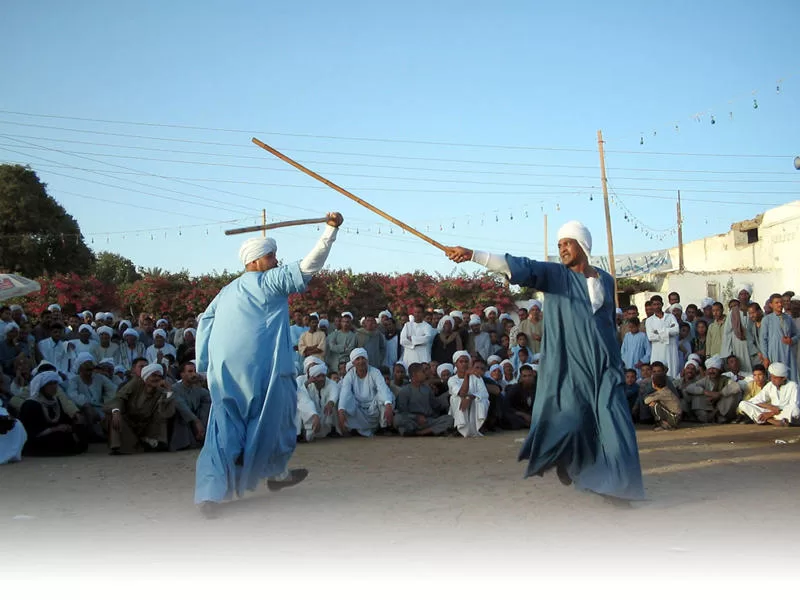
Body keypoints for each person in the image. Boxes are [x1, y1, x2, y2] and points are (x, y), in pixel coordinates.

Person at [445, 220, 644, 503]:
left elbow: (607, 323)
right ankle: (569, 461)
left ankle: (622, 486)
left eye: (567, 243)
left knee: (615, 421)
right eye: (559, 244)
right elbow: (517, 265)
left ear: (582, 245)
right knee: (571, 419)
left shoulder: (607, 281)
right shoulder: (555, 275)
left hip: (606, 367)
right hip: (571, 367)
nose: (561, 249)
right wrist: (473, 254)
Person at [194, 212, 343, 517]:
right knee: (277, 419)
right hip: (263, 372)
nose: (277, 260)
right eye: (272, 256)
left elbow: (205, 324)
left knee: (223, 429)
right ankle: (276, 474)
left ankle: (210, 493)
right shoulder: (269, 281)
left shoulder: (225, 292)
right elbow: (310, 265)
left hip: (225, 376)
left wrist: (204, 364)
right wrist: (331, 230)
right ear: (257, 260)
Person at [105, 363, 176, 454]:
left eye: (159, 376)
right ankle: (117, 447)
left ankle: (156, 441)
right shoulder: (136, 383)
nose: (157, 378)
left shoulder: (161, 391)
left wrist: (169, 391)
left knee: (162, 410)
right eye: (153, 375)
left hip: (145, 425)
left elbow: (167, 413)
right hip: (129, 421)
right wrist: (116, 411)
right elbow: (120, 397)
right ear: (146, 376)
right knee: (114, 413)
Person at [18, 371, 88, 457]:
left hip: (55, 433)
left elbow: (62, 419)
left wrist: (70, 426)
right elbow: (31, 431)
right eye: (50, 384)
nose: (54, 387)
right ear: (42, 387)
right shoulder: (31, 404)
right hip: (38, 438)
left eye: (55, 383)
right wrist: (55, 429)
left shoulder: (55, 401)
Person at [337, 348, 394, 437]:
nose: (361, 361)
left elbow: (382, 388)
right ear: (353, 363)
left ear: (367, 359)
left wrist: (388, 404)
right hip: (358, 407)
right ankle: (355, 429)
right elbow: (345, 393)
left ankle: (383, 427)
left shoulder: (375, 372)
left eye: (363, 358)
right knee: (346, 402)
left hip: (373, 407)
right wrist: (341, 410)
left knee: (387, 398)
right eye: (358, 359)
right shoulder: (349, 375)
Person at [393, 363, 454, 436]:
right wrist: (416, 417)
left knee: (449, 419)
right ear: (414, 374)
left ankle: (420, 433)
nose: (425, 373)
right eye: (422, 372)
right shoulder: (405, 391)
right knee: (397, 419)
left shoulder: (427, 389)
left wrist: (447, 398)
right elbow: (402, 411)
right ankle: (430, 431)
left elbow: (436, 406)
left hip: (427, 421)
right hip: (412, 421)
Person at [170, 361, 211, 451]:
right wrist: (196, 421)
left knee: (207, 405)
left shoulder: (197, 389)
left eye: (194, 371)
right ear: (182, 374)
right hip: (182, 420)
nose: (194, 374)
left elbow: (210, 398)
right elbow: (182, 406)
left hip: (196, 421)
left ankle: (202, 435)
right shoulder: (174, 388)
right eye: (190, 371)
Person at [760, 294, 799, 383]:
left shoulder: (788, 318)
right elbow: (763, 340)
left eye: (781, 302)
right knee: (776, 377)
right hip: (774, 353)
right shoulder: (767, 319)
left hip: (788, 353)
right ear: (771, 305)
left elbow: (797, 334)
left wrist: (791, 340)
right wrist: (765, 357)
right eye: (776, 303)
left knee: (791, 378)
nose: (780, 305)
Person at [645, 295, 680, 379]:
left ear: (662, 304)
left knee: (672, 372)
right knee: (657, 374)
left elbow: (676, 330)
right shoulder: (649, 320)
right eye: (654, 304)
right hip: (658, 351)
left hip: (671, 349)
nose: (656, 306)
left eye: (658, 304)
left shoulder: (670, 317)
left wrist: (659, 332)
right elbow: (651, 337)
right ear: (652, 306)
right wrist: (668, 331)